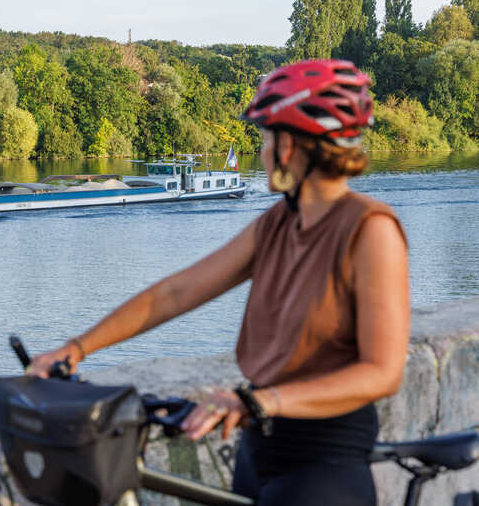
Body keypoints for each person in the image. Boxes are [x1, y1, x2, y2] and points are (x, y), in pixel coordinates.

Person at [28, 59, 410, 505]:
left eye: (266, 138)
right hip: (259, 449)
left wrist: (262, 402)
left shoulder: (370, 229)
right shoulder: (279, 223)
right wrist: (76, 349)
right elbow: (176, 293)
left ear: (287, 146)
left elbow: (382, 373)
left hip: (324, 464)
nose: (263, 151)